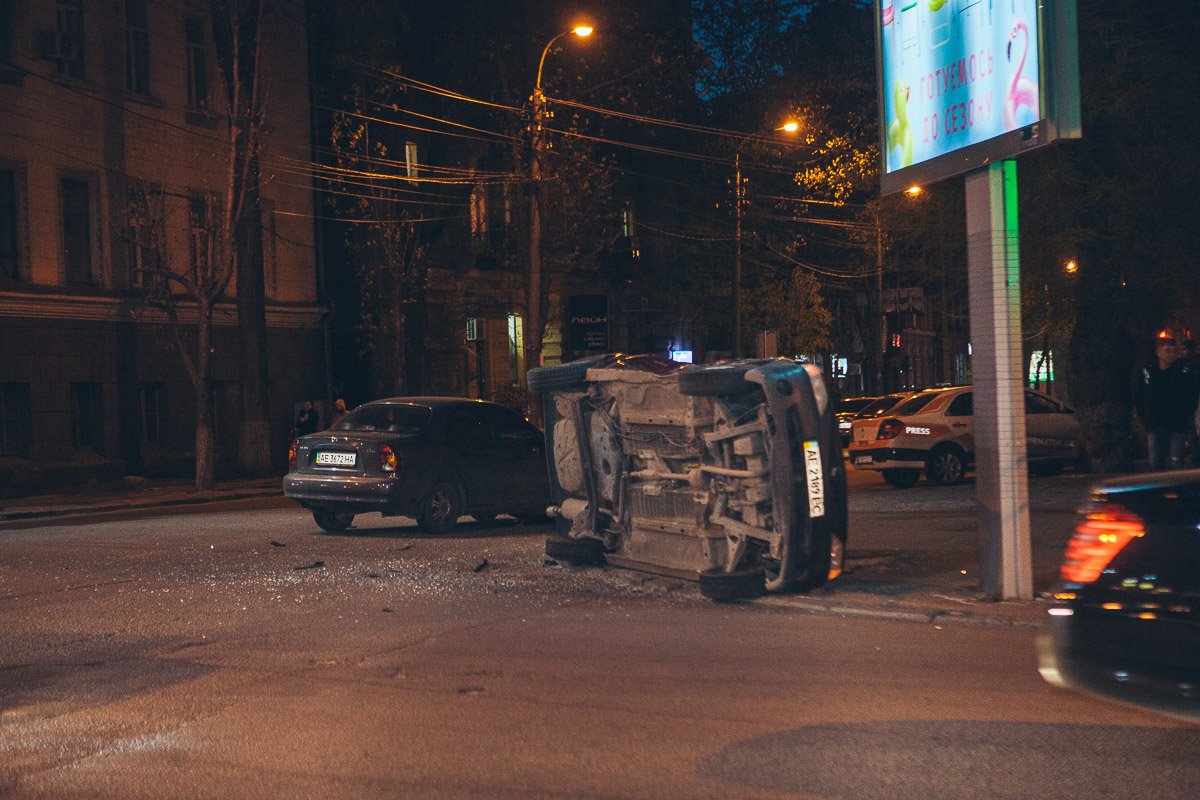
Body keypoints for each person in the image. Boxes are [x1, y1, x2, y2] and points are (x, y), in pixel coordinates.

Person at [1134, 332, 1198, 470]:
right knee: (1156, 461)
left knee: (1177, 461)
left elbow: (1191, 395)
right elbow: (1140, 395)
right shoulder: (1149, 372)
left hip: (1176, 424)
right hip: (1155, 423)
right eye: (1167, 351)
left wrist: (1184, 415)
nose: (1171, 354)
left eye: (1174, 351)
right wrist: (1146, 416)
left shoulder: (1182, 372)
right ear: (1158, 352)